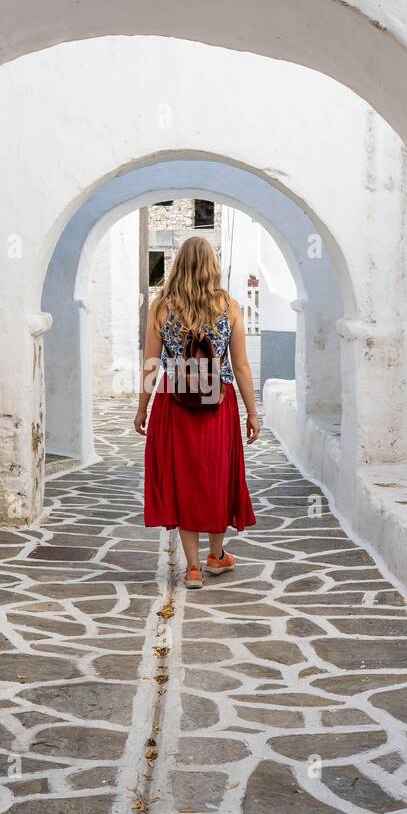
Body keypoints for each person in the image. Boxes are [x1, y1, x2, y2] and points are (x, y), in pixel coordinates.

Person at [134, 235, 259, 588]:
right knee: (217, 475)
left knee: (184, 478)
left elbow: (151, 364)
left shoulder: (162, 307)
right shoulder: (229, 306)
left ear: (178, 265)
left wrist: (142, 407)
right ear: (212, 265)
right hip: (218, 404)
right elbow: (242, 366)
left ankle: (192, 567)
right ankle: (216, 556)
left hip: (175, 402)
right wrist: (252, 412)